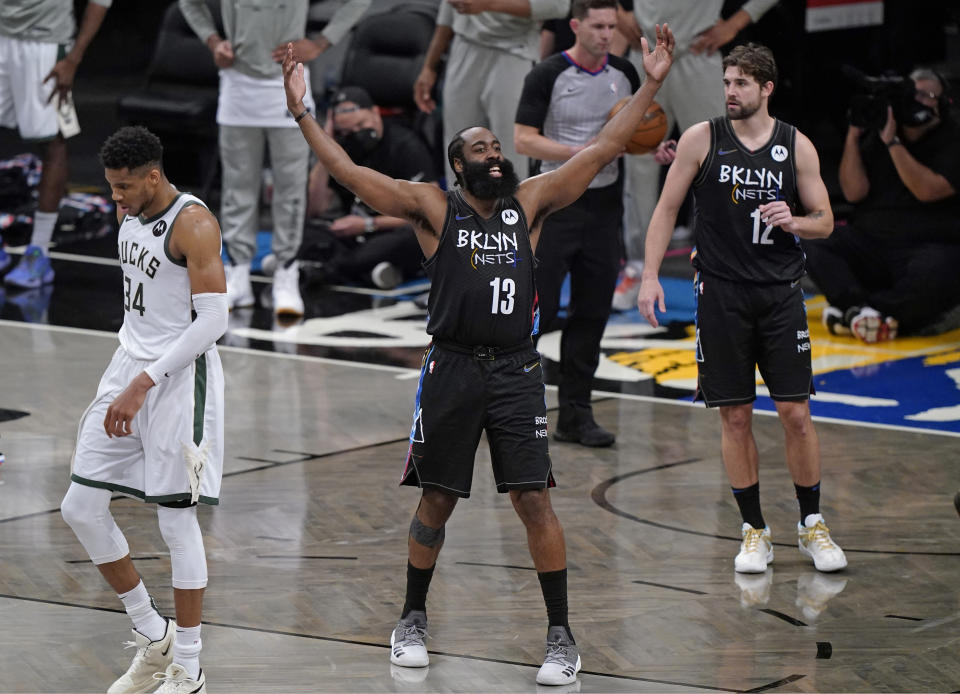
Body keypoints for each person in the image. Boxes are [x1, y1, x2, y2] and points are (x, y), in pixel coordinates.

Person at [284, 25, 674, 685]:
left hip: (518, 370)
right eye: (480, 149)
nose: (495, 153)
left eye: (497, 145)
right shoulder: (433, 207)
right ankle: (411, 617)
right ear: (457, 166)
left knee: (533, 501)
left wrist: (655, 79)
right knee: (437, 500)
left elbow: (607, 145)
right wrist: (299, 109)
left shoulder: (532, 203)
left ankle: (560, 636)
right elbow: (349, 172)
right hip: (452, 368)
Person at [637, 43, 847, 575]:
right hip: (721, 295)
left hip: (779, 295)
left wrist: (794, 220)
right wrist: (649, 276)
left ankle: (811, 523)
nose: (730, 92)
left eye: (741, 84)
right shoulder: (701, 139)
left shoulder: (795, 145)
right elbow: (665, 209)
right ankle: (754, 529)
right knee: (734, 415)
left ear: (766, 88)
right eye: (727, 82)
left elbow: (825, 219)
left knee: (796, 414)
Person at [60, 126, 227, 694]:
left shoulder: (194, 223)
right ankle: (152, 633)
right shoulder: (129, 212)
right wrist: (128, 379)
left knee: (175, 519)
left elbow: (213, 321)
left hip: (177, 381)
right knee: (80, 506)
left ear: (153, 176)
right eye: (111, 187)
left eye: (124, 186)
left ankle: (189, 663)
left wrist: (145, 383)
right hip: (127, 366)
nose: (115, 198)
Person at [179, 0, 370, 316]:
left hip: (287, 81)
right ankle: (238, 271)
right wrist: (213, 41)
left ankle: (286, 270)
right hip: (238, 82)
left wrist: (322, 42)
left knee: (290, 186)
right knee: (237, 185)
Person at [515, 0, 640, 447]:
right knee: (536, 312)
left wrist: (653, 148)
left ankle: (575, 415)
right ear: (575, 26)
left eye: (612, 26)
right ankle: (513, 410)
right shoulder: (547, 73)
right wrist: (583, 155)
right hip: (553, 204)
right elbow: (522, 137)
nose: (607, 34)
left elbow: (635, 130)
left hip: (604, 208)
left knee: (592, 312)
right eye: (597, 26)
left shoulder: (626, 72)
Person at [611, 0, 779, 311]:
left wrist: (735, 23)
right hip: (645, 56)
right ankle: (638, 268)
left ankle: (732, 269)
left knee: (722, 165)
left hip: (696, 55)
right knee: (638, 167)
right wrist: (617, 13)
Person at [804, 68, 960, 342]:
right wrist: (853, 136)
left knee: (941, 270)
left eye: (926, 95)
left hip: (927, 247)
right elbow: (853, 193)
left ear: (943, 103)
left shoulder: (952, 138)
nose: (917, 101)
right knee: (815, 237)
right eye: (913, 94)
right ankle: (861, 309)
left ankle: (863, 312)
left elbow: (927, 190)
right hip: (872, 242)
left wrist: (894, 144)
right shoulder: (884, 128)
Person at [0, 0, 112, 288]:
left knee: (53, 143)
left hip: (46, 42)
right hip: (2, 34)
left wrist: (73, 58)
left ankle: (38, 252)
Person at [413, 0, 570, 185]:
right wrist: (429, 66)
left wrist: (489, 4)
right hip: (464, 45)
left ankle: (514, 212)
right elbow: (448, 9)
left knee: (510, 154)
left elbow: (559, 6)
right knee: (460, 149)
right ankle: (460, 213)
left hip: (515, 52)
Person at [306, 85, 439, 289]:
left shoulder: (406, 145)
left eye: (361, 125)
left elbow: (431, 212)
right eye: (348, 131)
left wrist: (369, 224)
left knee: (414, 237)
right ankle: (369, 271)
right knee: (301, 229)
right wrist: (326, 145)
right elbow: (314, 208)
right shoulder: (344, 147)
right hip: (355, 234)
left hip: (392, 228)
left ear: (375, 112)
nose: (357, 134)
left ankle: (330, 267)